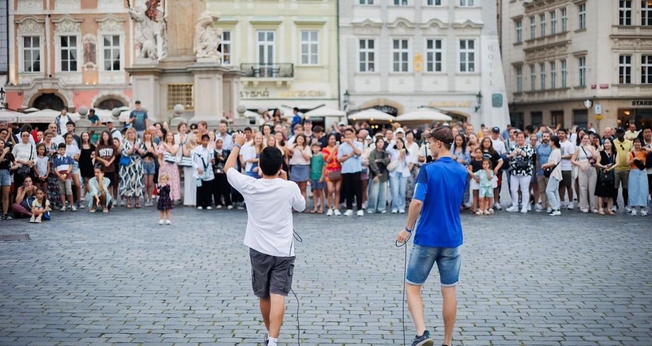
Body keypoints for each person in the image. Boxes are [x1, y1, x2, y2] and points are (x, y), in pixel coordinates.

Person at [225, 133, 305, 346]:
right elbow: (301, 206)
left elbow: (228, 169)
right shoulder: (289, 187)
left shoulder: (251, 185)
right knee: (278, 293)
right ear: (281, 167)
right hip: (283, 250)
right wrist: (286, 182)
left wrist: (237, 145)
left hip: (258, 248)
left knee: (264, 295)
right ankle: (273, 339)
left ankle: (270, 333)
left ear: (260, 165)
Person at [395, 126, 467, 346]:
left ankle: (422, 333)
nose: (428, 145)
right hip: (453, 237)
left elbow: (417, 202)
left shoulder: (428, 169)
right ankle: (447, 341)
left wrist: (407, 228)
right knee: (449, 290)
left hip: (427, 236)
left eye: (430, 141)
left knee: (412, 286)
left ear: (438, 143)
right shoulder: (462, 170)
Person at [506, 132, 534, 213]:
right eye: (518, 137)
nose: (520, 139)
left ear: (525, 138)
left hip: (525, 172)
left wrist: (520, 151)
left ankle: (524, 206)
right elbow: (508, 156)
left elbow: (529, 156)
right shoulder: (513, 147)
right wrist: (511, 155)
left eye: (522, 137)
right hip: (514, 171)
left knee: (524, 189)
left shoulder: (529, 147)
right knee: (513, 189)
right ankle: (515, 205)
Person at [338, 128, 364, 216]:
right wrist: (350, 155)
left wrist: (351, 144)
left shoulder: (359, 144)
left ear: (353, 134)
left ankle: (359, 208)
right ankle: (349, 208)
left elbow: (359, 153)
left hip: (356, 169)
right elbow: (339, 159)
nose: (348, 136)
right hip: (346, 170)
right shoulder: (341, 146)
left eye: (350, 134)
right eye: (347, 134)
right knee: (347, 189)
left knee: (358, 189)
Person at [571, 133, 599, 213]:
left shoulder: (592, 148)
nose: (586, 140)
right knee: (583, 188)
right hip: (582, 169)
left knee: (592, 187)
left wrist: (590, 150)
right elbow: (573, 160)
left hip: (591, 168)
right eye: (584, 138)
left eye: (587, 138)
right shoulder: (578, 149)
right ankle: (584, 206)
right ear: (581, 139)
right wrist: (580, 164)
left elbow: (596, 158)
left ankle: (593, 206)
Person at [119, 128, 145, 209]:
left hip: (137, 165)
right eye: (129, 133)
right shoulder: (124, 142)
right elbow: (125, 153)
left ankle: (137, 201)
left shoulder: (139, 141)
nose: (131, 134)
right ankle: (128, 201)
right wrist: (133, 148)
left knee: (137, 181)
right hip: (127, 165)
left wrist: (138, 149)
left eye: (133, 132)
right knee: (127, 182)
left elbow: (143, 152)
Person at [192, 134, 216, 210]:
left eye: (207, 140)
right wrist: (197, 168)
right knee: (200, 188)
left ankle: (207, 203)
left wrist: (213, 161)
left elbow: (212, 161)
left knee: (208, 188)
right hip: (199, 172)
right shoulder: (197, 149)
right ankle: (199, 203)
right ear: (201, 140)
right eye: (204, 140)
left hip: (208, 171)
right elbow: (193, 160)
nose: (205, 142)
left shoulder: (210, 150)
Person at [594, 137, 617, 215]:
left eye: (608, 143)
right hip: (602, 173)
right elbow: (597, 163)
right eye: (605, 143)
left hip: (611, 173)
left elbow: (617, 163)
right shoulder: (602, 153)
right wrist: (604, 167)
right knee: (601, 192)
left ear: (611, 144)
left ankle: (608, 208)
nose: (606, 144)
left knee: (611, 192)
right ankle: (600, 208)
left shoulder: (614, 153)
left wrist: (610, 168)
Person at [158, 131, 181, 204]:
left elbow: (173, 152)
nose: (170, 137)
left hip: (173, 166)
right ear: (166, 136)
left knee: (173, 182)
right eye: (168, 135)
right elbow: (159, 157)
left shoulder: (176, 145)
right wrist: (161, 166)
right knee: (165, 182)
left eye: (171, 136)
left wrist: (166, 145)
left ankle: (172, 199)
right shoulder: (162, 146)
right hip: (165, 166)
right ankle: (164, 199)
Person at [627, 138, 649, 216]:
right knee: (633, 190)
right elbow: (627, 163)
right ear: (633, 144)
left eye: (639, 142)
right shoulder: (630, 153)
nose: (637, 144)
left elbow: (650, 151)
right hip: (633, 172)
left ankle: (643, 207)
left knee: (643, 189)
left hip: (642, 172)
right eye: (636, 142)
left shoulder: (644, 152)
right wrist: (634, 159)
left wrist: (644, 147)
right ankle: (633, 207)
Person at [613, 128, 633, 212]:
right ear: (616, 134)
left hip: (627, 169)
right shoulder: (613, 142)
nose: (620, 134)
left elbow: (632, 154)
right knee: (615, 188)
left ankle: (625, 204)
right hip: (616, 168)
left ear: (624, 133)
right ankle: (614, 203)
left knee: (625, 188)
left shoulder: (629, 143)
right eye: (618, 133)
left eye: (621, 132)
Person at [52, 143, 76, 212]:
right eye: (61, 149)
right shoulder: (56, 159)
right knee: (61, 191)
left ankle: (72, 205)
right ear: (58, 150)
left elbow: (70, 166)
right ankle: (64, 205)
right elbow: (55, 168)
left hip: (67, 176)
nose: (62, 151)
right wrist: (59, 175)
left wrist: (66, 174)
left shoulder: (68, 158)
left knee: (69, 190)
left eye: (64, 149)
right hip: (60, 177)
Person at [288, 134, 312, 204]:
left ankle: (303, 205)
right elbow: (289, 150)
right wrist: (295, 145)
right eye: (298, 139)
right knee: (296, 188)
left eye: (301, 139)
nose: (300, 140)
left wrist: (302, 151)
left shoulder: (307, 147)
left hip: (304, 167)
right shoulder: (293, 147)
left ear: (304, 140)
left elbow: (308, 158)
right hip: (295, 167)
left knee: (303, 188)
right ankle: (295, 205)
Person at [542, 135, 563, 216]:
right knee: (554, 191)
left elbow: (553, 163)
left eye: (550, 140)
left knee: (549, 190)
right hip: (556, 173)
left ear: (553, 142)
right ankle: (557, 207)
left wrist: (545, 165)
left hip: (555, 173)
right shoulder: (556, 151)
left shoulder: (555, 151)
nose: (549, 142)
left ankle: (555, 208)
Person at [0, 139, 16, 219]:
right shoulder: (5, 153)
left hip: (6, 173)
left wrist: (13, 168)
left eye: (2, 143)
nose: (1, 145)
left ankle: (5, 213)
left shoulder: (9, 154)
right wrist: (4, 153)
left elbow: (15, 164)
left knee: (6, 195)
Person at [309, 141, 325, 213]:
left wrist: (322, 176)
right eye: (314, 147)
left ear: (319, 148)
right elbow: (310, 167)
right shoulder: (311, 157)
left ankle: (321, 206)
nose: (315, 149)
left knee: (320, 191)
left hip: (319, 175)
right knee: (314, 191)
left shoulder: (321, 156)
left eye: (317, 147)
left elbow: (323, 166)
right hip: (313, 175)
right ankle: (315, 206)